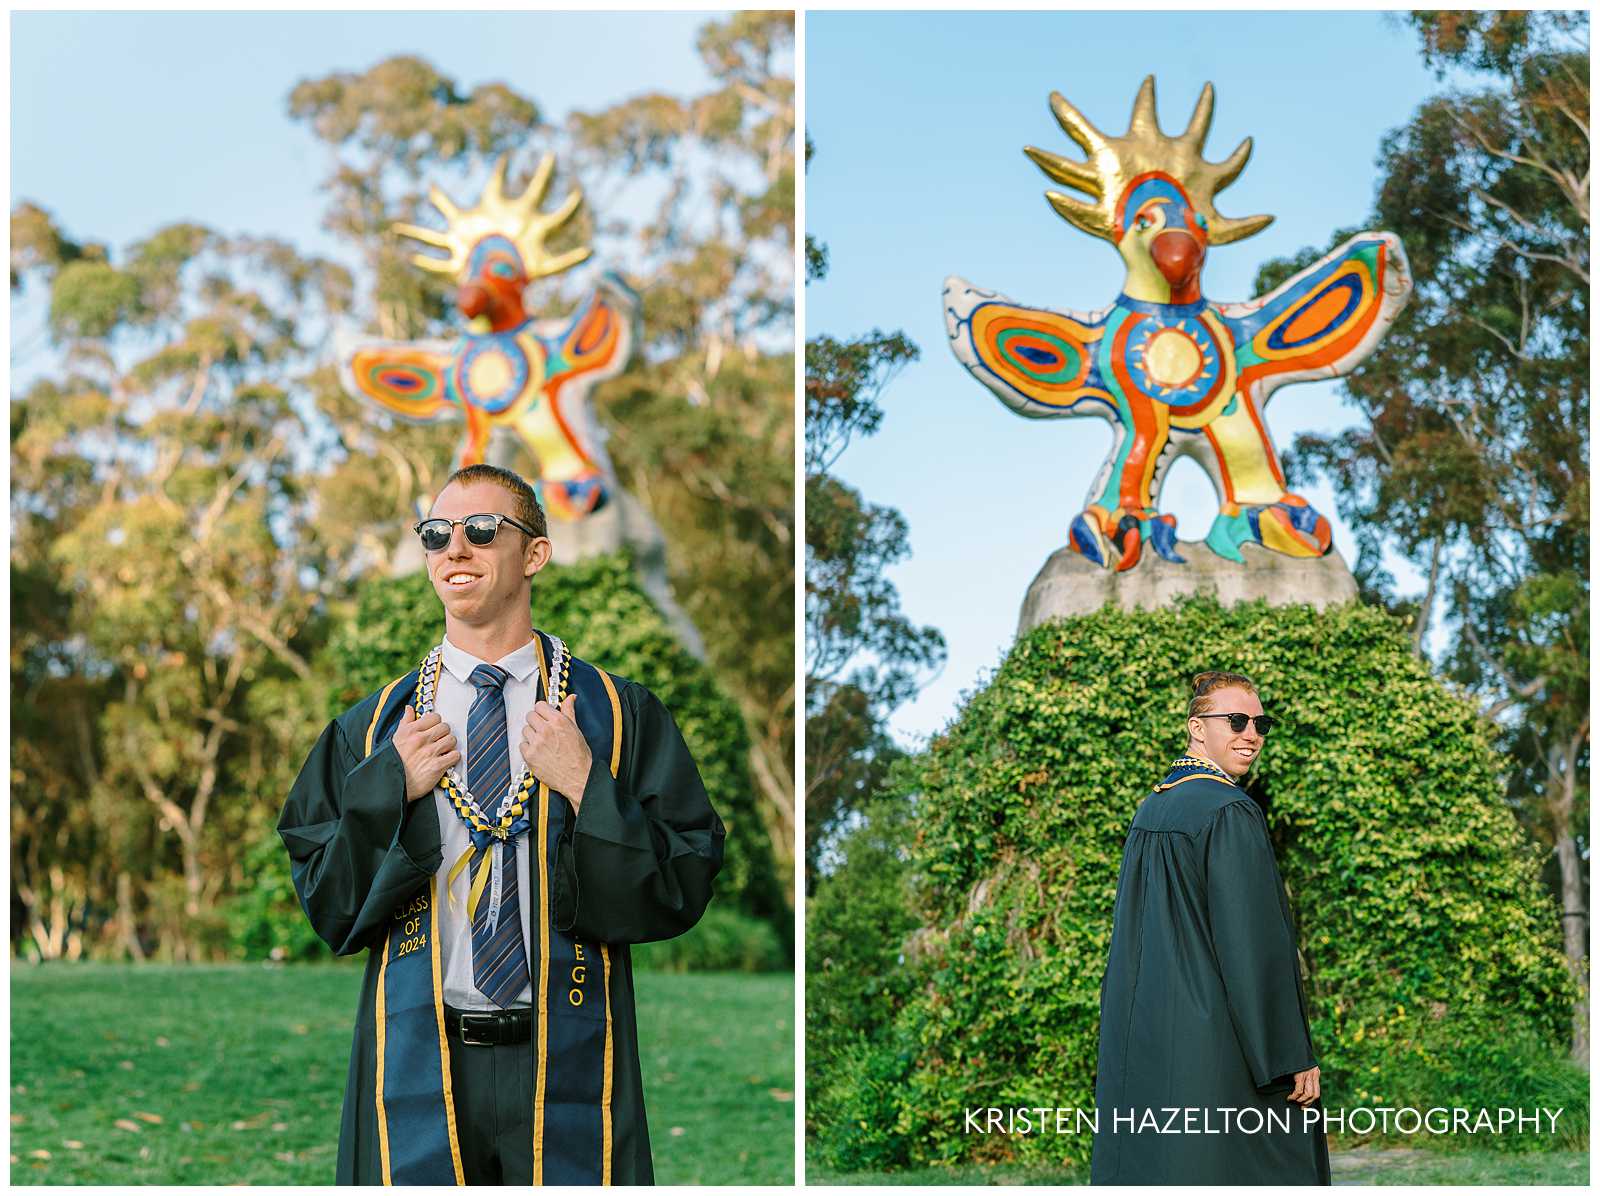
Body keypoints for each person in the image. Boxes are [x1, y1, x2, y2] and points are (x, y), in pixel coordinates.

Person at [277, 463, 725, 1185]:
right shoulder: (374, 730)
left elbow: (685, 880)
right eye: (436, 534)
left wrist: (585, 784)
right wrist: (389, 786)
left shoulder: (615, 713)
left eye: (482, 531)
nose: (455, 549)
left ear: (535, 554)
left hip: (568, 1057)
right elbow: (327, 905)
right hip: (420, 1056)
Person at [1090, 670, 1330, 1185]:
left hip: (1148, 1035)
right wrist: (1290, 1055)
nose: (1252, 734)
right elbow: (1253, 947)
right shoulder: (1229, 810)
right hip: (1214, 1042)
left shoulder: (1153, 807)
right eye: (1237, 720)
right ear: (1196, 727)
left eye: (1261, 723)